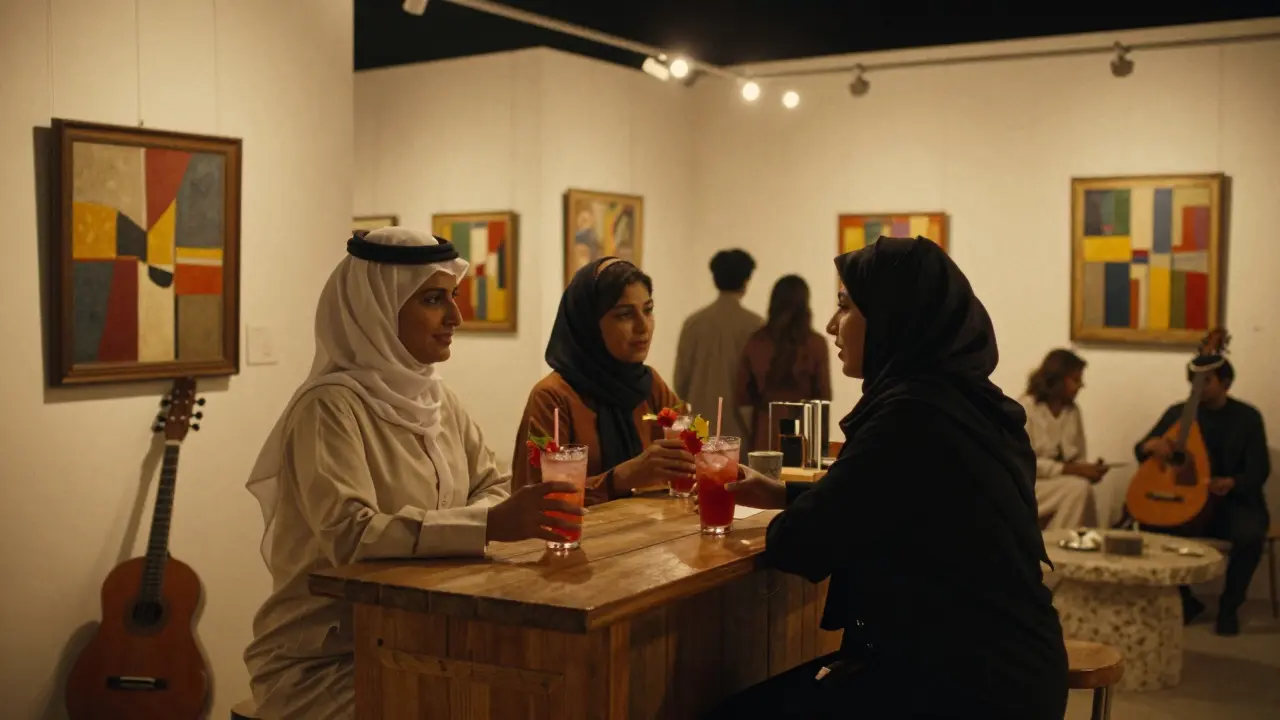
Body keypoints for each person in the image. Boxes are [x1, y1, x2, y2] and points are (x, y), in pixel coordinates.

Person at [709, 237, 1068, 719]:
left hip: (964, 687)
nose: (833, 326)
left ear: (894, 316)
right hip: (1014, 668)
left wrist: (791, 513)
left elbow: (803, 542)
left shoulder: (911, 416)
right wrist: (786, 493)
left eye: (846, 307)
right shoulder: (968, 400)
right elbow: (895, 502)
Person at [242, 228, 584, 719]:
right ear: (377, 309)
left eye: (454, 297)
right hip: (328, 658)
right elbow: (350, 533)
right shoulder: (330, 409)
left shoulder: (437, 398)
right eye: (432, 299)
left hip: (422, 637)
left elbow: (491, 485)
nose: (455, 317)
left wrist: (489, 516)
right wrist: (487, 525)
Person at [511, 258, 695, 504]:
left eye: (648, 310)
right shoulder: (553, 397)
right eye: (625, 315)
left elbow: (696, 458)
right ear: (588, 324)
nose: (643, 326)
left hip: (649, 535)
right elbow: (534, 499)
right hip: (576, 539)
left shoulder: (649, 385)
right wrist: (620, 478)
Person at [1134, 357, 1270, 636]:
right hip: (1187, 504)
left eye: (1206, 381)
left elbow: (1259, 470)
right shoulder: (1179, 414)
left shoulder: (1247, 417)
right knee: (1150, 525)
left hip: (1231, 504)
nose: (1197, 388)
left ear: (1226, 383)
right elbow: (1141, 450)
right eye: (1193, 381)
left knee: (1251, 535)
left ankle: (1229, 608)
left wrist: (1232, 482)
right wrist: (1151, 446)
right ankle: (1185, 600)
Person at [673, 249, 763, 453]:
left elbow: (680, 383)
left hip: (700, 428)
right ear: (746, 280)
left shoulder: (693, 323)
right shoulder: (756, 326)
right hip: (741, 432)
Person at [736, 275, 832, 454]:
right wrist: (823, 445)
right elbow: (823, 398)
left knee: (764, 479)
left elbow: (742, 396)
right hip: (804, 432)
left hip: (765, 431)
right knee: (800, 481)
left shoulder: (756, 342)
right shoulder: (816, 344)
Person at [1019, 349, 1106, 529]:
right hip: (1028, 486)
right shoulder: (1026, 408)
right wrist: (1069, 469)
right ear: (1057, 379)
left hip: (1061, 484)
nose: (1081, 386)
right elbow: (1022, 462)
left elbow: (1078, 457)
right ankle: (1061, 544)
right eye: (1075, 380)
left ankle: (1068, 541)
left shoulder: (1073, 412)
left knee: (1081, 487)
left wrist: (1090, 470)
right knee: (1077, 490)